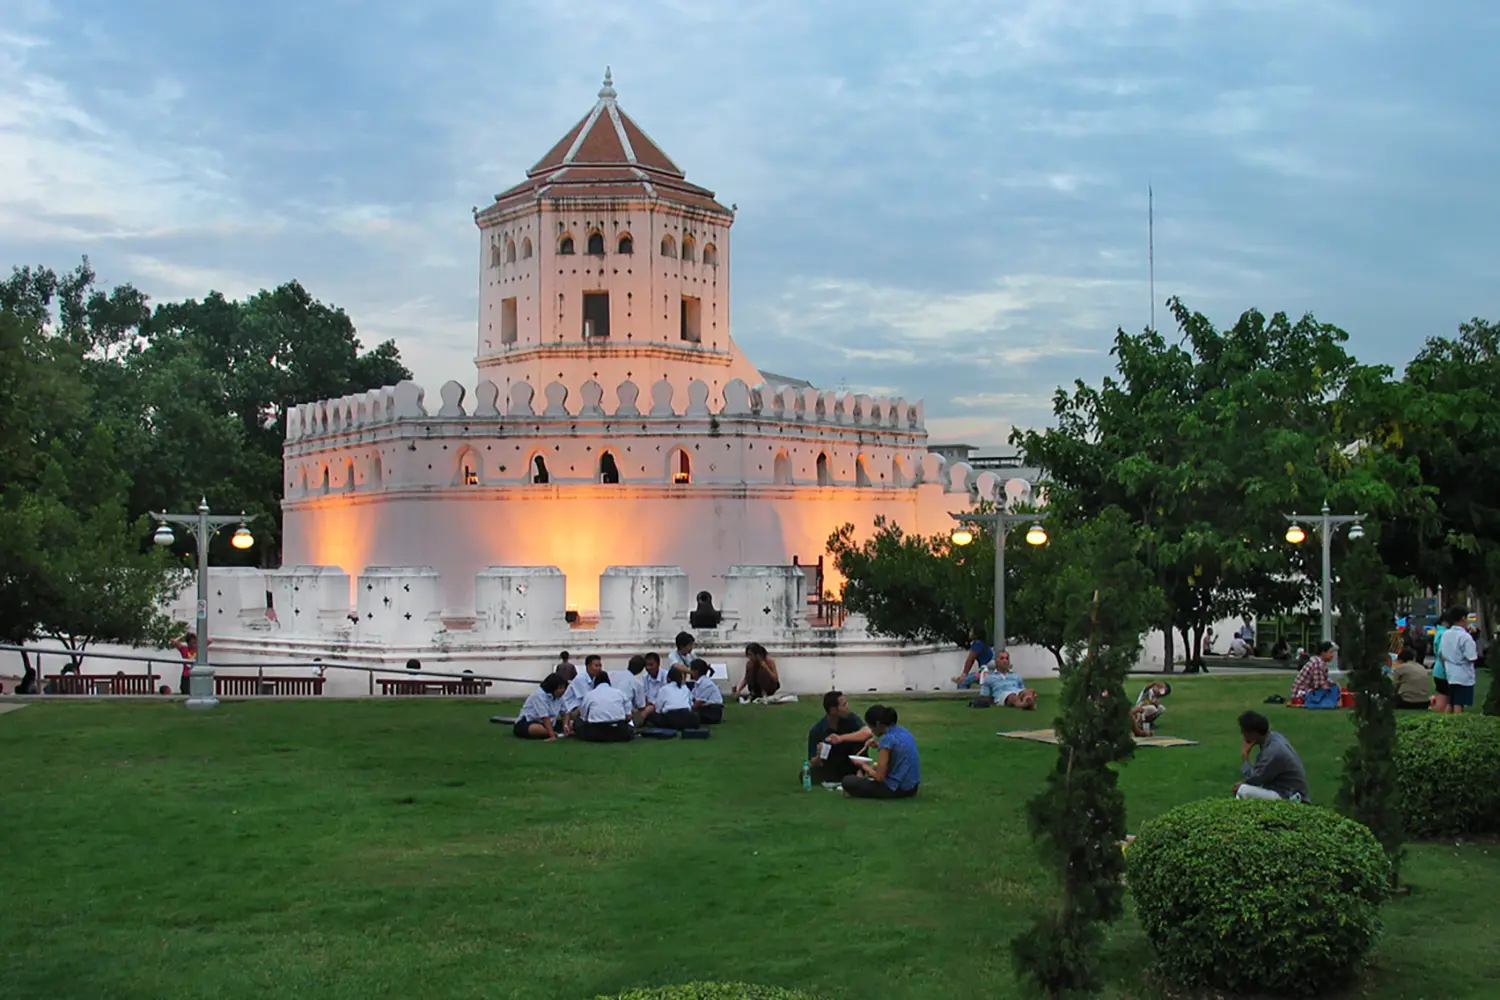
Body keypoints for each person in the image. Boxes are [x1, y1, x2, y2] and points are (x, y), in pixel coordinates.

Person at [842, 704, 921, 800]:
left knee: (847, 781)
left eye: (871, 727)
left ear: (878, 724)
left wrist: (863, 766)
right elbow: (898, 749)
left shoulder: (886, 740)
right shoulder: (903, 731)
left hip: (896, 789)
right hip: (912, 787)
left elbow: (879, 777)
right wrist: (878, 745)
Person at [1233, 710, 1310, 802]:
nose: (1242, 734)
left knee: (1242, 790)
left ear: (1253, 733)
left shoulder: (1273, 751)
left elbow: (1254, 779)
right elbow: (1260, 773)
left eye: (1243, 731)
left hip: (1290, 796)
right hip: (1283, 790)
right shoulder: (1273, 738)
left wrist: (1245, 756)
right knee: (1243, 788)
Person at [807, 690, 872, 786]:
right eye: (844, 705)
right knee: (808, 774)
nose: (847, 707)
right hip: (832, 763)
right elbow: (813, 762)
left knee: (858, 740)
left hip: (851, 761)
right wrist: (820, 755)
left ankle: (858, 774)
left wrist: (841, 738)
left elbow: (867, 732)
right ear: (833, 710)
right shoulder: (817, 730)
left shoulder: (851, 718)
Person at [1438, 607, 1479, 714]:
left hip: (1450, 673)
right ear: (1463, 618)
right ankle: (1458, 725)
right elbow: (1472, 657)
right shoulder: (1465, 637)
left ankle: (1445, 724)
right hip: (1464, 675)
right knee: (1459, 703)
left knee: (1451, 702)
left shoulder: (1446, 634)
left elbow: (1442, 654)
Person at [575, 673, 635, 742]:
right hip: (619, 732)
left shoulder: (589, 695)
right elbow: (629, 716)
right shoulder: (620, 693)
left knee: (578, 723)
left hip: (596, 733)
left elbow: (584, 717)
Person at [966, 650, 1035, 710]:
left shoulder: (1016, 675)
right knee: (1012, 697)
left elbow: (1022, 689)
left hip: (1017, 691)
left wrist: (1026, 693)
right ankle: (1024, 705)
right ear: (996, 662)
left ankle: (1028, 701)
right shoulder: (989, 678)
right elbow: (985, 696)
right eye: (1002, 658)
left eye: (1007, 658)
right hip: (1003, 696)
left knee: (1030, 691)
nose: (1005, 661)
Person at [515, 673, 570, 740]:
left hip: (551, 723)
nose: (563, 691)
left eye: (564, 688)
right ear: (552, 687)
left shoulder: (560, 697)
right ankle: (554, 733)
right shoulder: (539, 695)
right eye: (560, 688)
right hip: (529, 722)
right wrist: (551, 735)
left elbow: (565, 712)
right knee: (536, 728)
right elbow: (544, 717)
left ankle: (559, 732)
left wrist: (565, 725)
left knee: (571, 723)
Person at [643, 666, 700, 730]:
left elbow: (658, 709)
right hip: (687, 717)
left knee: (652, 716)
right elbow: (691, 704)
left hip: (670, 718)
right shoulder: (685, 688)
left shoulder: (664, 689)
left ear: (668, 678)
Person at [689, 659, 724, 724]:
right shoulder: (699, 683)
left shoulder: (705, 683)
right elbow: (691, 697)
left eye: (691, 670)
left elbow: (699, 702)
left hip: (712, 711)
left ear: (696, 671)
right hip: (706, 708)